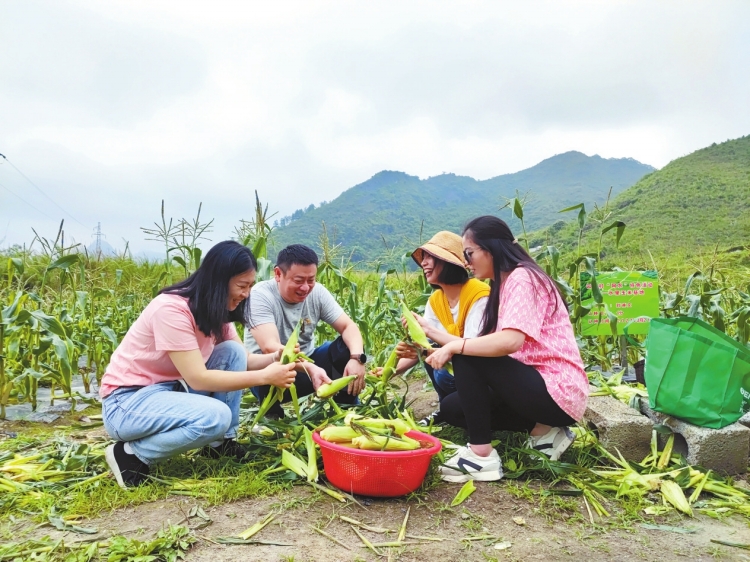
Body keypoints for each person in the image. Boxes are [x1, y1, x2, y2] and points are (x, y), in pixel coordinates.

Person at [100, 241, 298, 488]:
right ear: (219, 282)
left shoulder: (215, 310)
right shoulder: (171, 310)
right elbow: (198, 378)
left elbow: (244, 360)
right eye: (242, 286)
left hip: (168, 392)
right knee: (216, 417)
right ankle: (131, 455)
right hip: (127, 404)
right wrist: (266, 377)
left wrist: (274, 359)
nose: (247, 294)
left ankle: (220, 443)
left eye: (250, 286)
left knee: (233, 351)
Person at [426, 216, 588, 483]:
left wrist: (456, 346)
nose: (467, 262)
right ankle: (545, 432)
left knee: (467, 351)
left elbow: (510, 341)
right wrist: (433, 339)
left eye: (470, 253)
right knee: (453, 408)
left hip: (557, 389)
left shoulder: (523, 278)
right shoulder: (503, 285)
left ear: (491, 248)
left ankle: (481, 457)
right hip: (536, 387)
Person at [244, 244, 366, 417]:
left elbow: (348, 327)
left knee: (345, 348)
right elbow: (271, 348)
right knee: (273, 365)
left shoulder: (317, 293)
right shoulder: (260, 296)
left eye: (311, 280)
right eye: (299, 281)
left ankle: (347, 409)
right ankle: (273, 418)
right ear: (278, 274)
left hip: (310, 369)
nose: (305, 288)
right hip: (270, 375)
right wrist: (310, 368)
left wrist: (357, 359)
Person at [382, 231, 489, 425]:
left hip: (480, 370)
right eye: (424, 258)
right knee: (430, 350)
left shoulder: (479, 295)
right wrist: (390, 372)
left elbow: (474, 347)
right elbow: (424, 346)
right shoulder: (435, 300)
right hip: (454, 363)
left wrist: (428, 335)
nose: (424, 263)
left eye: (431, 257)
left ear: (449, 262)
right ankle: (445, 408)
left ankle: (470, 410)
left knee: (442, 372)